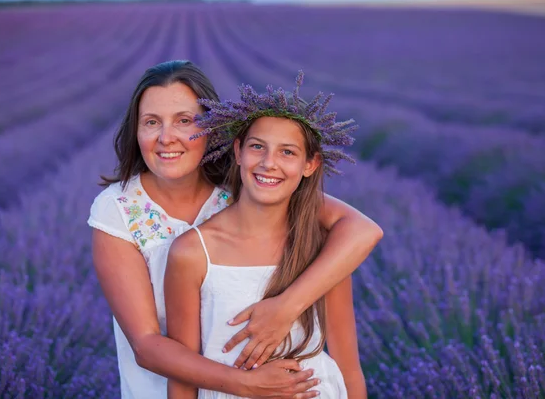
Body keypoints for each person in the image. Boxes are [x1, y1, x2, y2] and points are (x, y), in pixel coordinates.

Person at [88, 60, 382, 398]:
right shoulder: (119, 210)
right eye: (151, 122)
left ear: (212, 128)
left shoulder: (250, 185)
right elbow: (147, 344)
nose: (166, 138)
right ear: (135, 131)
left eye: (185, 121)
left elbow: (361, 229)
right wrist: (248, 385)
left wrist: (286, 308)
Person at [164, 73, 368, 399]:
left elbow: (348, 365)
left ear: (310, 164)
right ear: (238, 151)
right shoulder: (192, 252)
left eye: (287, 152)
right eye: (258, 147)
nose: (269, 163)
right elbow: (182, 373)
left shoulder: (321, 249)